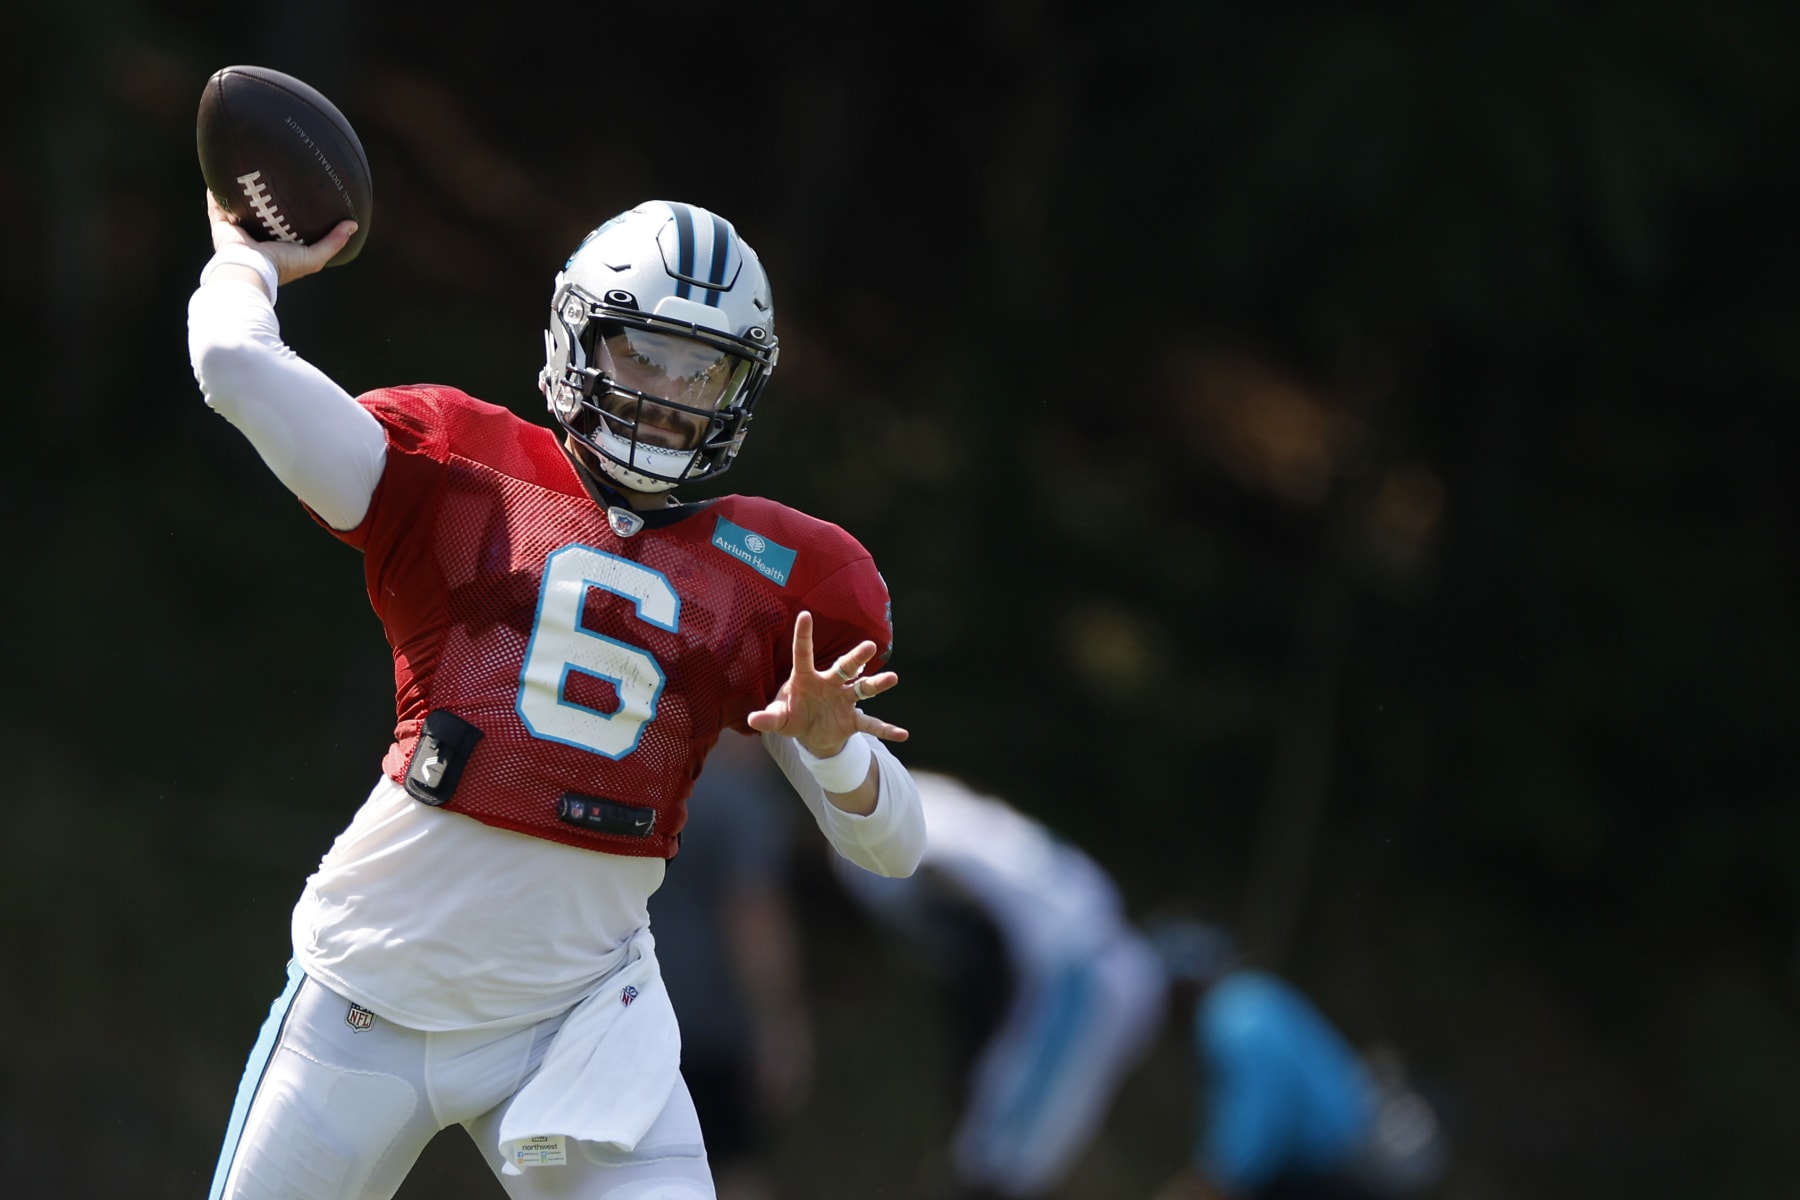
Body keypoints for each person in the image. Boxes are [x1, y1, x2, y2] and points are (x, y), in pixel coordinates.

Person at [187, 195, 926, 1200]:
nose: (669, 396)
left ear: (741, 386)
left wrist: (834, 748)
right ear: (579, 338)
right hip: (373, 992)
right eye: (644, 356)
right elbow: (235, 366)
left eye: (700, 370)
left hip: (578, 1025)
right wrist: (244, 260)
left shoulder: (763, 585)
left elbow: (894, 847)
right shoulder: (462, 472)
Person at [831, 771, 1168, 1200]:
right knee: (1003, 1154)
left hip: (1077, 976)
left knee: (997, 1164)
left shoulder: (875, 855)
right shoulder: (923, 795)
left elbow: (967, 940)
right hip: (1094, 958)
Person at [1147, 921, 1450, 1200]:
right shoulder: (1253, 992)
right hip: (1345, 1159)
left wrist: (1210, 1181)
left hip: (1337, 1170)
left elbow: (1259, 1119)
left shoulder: (1231, 1018)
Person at [646, 729, 814, 1200]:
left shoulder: (647, 782)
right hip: (710, 1028)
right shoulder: (742, 800)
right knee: (731, 1169)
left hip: (626, 1015)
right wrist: (779, 1025)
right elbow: (753, 915)